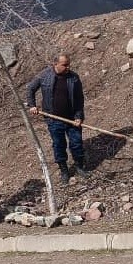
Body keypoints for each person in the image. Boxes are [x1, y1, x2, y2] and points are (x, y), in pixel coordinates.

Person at [27, 53, 88, 184]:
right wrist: (32, 105)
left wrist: (79, 116)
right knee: (59, 145)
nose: (68, 67)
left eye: (68, 64)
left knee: (76, 143)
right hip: (53, 119)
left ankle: (79, 166)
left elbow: (79, 99)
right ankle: (64, 170)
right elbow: (30, 89)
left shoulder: (74, 78)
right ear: (56, 64)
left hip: (72, 119)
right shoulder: (44, 75)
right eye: (64, 65)